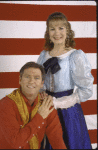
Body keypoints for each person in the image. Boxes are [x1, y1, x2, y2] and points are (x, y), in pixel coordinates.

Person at [37, 12, 94, 149]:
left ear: (67, 30)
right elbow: (39, 82)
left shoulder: (75, 56)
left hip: (68, 112)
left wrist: (58, 103)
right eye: (52, 29)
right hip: (46, 109)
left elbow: (86, 90)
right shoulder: (44, 55)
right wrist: (42, 94)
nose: (57, 33)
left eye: (61, 28)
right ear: (48, 33)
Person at [0, 62, 67, 149]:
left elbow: (57, 140)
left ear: (42, 83)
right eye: (27, 77)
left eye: (36, 78)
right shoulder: (5, 105)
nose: (31, 81)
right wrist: (40, 116)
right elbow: (16, 143)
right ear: (20, 80)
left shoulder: (46, 104)